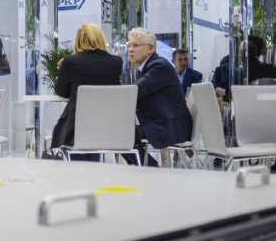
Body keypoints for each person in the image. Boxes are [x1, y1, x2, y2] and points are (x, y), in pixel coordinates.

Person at [123, 28, 193, 162]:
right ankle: (146, 168)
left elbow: (134, 91)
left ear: (150, 48)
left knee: (120, 135)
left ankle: (151, 170)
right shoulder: (147, 67)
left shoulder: (159, 67)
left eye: (135, 45)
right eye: (129, 45)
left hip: (170, 126)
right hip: (162, 121)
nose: (130, 49)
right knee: (122, 133)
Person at [51, 23, 123, 150]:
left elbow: (61, 91)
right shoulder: (116, 62)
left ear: (78, 41)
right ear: (101, 39)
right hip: (108, 126)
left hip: (75, 128)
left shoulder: (70, 62)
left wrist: (62, 70)